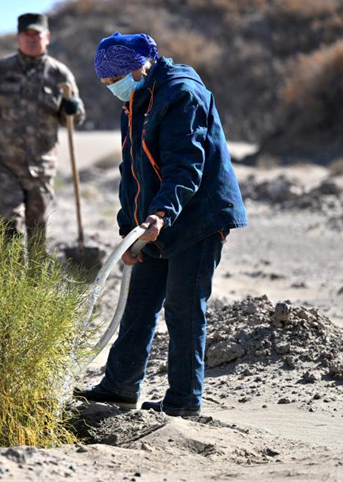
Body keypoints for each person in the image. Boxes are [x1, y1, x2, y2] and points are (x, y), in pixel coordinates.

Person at [76, 32, 247, 416]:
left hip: (196, 217)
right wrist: (128, 227)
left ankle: (184, 402)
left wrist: (162, 213)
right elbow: (132, 169)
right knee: (139, 304)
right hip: (154, 219)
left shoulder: (181, 94)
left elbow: (185, 165)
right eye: (105, 84)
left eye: (114, 80)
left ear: (140, 67)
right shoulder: (136, 100)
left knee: (183, 308)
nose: (111, 89)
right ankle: (119, 386)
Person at [0, 13, 85, 256]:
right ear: (18, 38)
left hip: (42, 166)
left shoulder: (60, 75)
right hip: (3, 163)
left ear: (47, 37)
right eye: (26, 35)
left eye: (36, 35)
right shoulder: (0, 71)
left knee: (38, 228)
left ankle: (34, 287)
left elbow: (75, 119)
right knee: (9, 223)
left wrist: (73, 108)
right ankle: (8, 288)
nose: (31, 40)